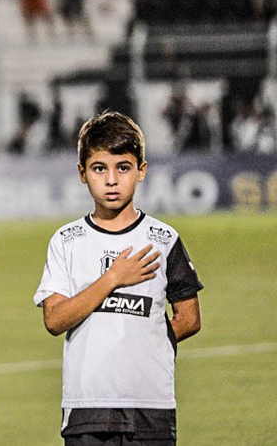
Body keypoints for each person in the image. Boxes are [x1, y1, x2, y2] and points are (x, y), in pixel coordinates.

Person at [33, 111, 203, 446]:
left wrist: (147, 343)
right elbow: (54, 319)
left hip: (150, 403)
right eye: (100, 168)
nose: (111, 180)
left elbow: (190, 317)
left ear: (141, 170)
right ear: (82, 173)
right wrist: (111, 279)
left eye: (122, 167)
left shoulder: (163, 238)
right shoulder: (67, 241)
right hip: (87, 406)